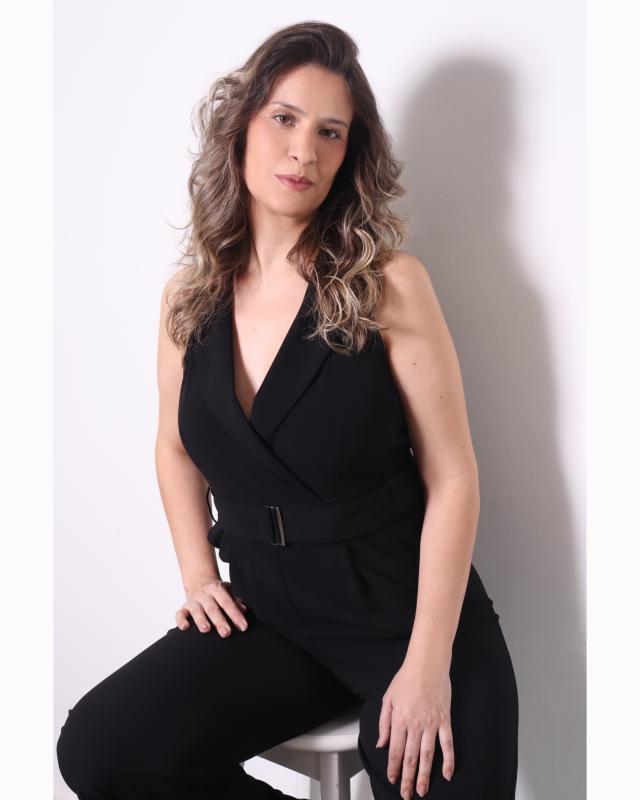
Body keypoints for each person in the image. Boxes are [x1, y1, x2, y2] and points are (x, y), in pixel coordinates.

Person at [56, 20, 519, 800]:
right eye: (285, 118)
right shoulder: (188, 300)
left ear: (349, 156)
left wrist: (427, 665)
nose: (305, 149)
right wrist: (198, 575)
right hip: (269, 620)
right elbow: (175, 447)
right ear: (241, 127)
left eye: (330, 132)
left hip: (405, 616)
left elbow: (454, 478)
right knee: (102, 750)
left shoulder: (389, 284)